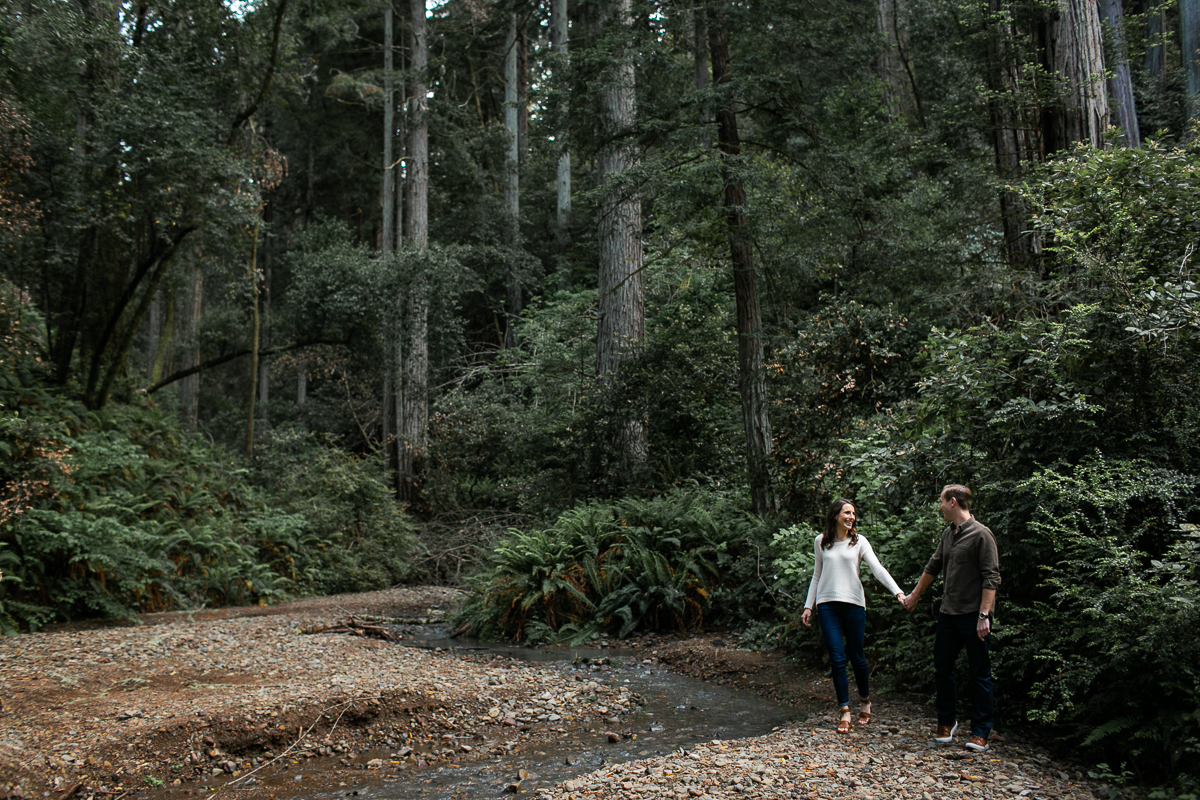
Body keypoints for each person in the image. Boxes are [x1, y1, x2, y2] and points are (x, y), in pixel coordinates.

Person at [902, 484, 1001, 752]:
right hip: (948, 613)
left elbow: (991, 577)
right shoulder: (948, 534)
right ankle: (947, 722)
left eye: (942, 502)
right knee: (942, 667)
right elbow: (933, 566)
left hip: (973, 615)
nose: (940, 506)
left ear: (953, 502)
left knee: (980, 672)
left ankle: (981, 732)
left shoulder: (982, 535)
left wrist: (984, 615)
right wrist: (914, 596)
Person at [802, 498, 906, 734]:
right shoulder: (821, 542)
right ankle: (844, 711)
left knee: (857, 656)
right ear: (835, 515)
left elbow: (877, 569)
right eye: (846, 513)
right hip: (827, 604)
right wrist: (809, 606)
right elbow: (817, 576)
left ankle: (865, 700)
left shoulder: (859, 541)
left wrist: (898, 592)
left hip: (854, 604)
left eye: (853, 513)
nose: (851, 517)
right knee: (837, 658)